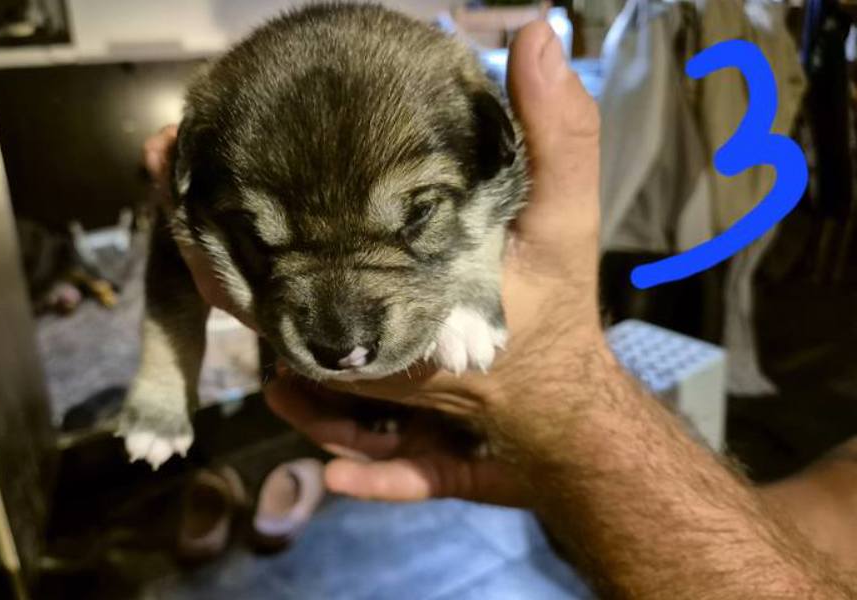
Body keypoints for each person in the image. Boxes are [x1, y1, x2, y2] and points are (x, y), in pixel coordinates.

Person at [144, 20, 857, 598]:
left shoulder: (477, 120)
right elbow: (175, 250)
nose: (345, 329)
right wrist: (164, 379)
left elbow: (501, 202)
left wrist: (495, 315)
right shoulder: (208, 150)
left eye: (415, 212)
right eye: (261, 235)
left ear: (494, 135)